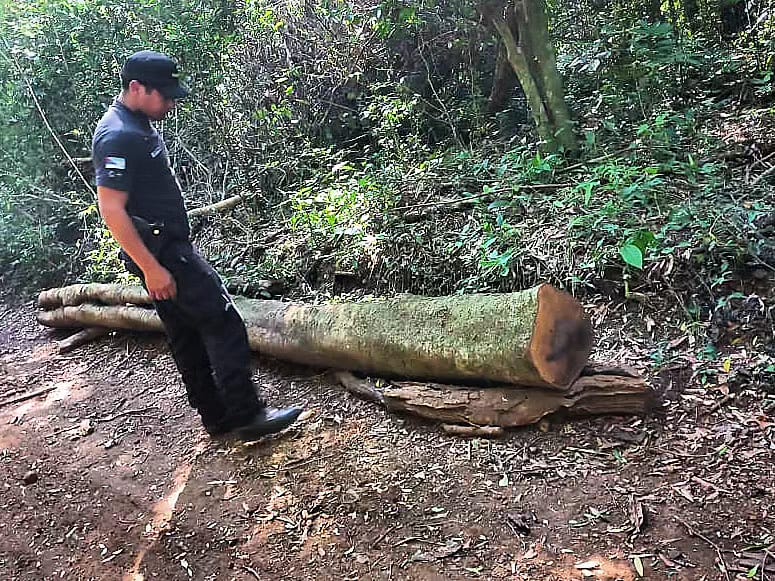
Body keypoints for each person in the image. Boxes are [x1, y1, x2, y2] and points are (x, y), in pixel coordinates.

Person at [92, 50, 302, 439]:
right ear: (137, 88)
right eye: (165, 95)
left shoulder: (135, 123)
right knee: (222, 321)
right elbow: (111, 209)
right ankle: (246, 415)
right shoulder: (117, 135)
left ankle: (217, 418)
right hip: (161, 250)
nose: (171, 103)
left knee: (186, 333)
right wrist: (152, 267)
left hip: (161, 246)